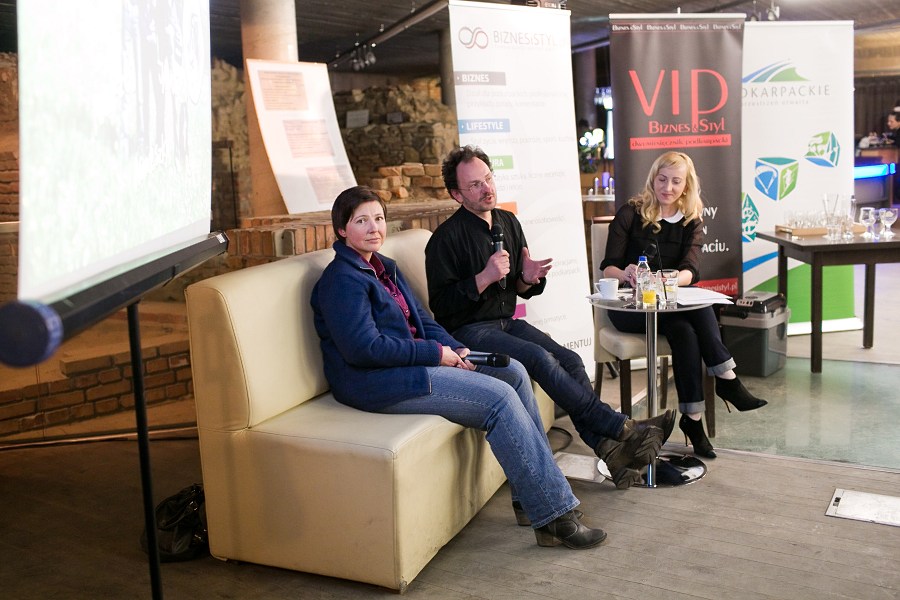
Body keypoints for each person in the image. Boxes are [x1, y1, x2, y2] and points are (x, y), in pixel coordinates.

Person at [311, 185, 606, 550]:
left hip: (409, 366)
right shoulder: (342, 280)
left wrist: (455, 347)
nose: (374, 228)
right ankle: (554, 515)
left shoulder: (384, 267)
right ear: (342, 229)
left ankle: (529, 499)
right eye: (361, 221)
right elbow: (364, 349)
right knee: (499, 399)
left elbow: (424, 320)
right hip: (377, 382)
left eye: (379, 218)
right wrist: (436, 354)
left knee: (513, 372)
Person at [424, 145, 673, 490]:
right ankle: (621, 427)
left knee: (570, 359)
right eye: (475, 185)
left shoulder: (507, 222)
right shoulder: (444, 239)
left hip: (506, 322)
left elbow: (521, 287)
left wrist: (527, 278)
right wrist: (483, 278)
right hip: (468, 332)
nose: (487, 189)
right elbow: (441, 307)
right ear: (457, 194)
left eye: (488, 179)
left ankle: (610, 451)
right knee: (540, 358)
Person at [599, 151, 768, 458]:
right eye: (662, 179)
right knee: (696, 315)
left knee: (687, 329)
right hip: (631, 308)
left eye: (676, 181)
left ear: (686, 185)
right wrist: (625, 273)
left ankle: (693, 420)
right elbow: (608, 267)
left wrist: (670, 278)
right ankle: (727, 379)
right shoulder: (630, 213)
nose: (668, 187)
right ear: (653, 179)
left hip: (669, 304)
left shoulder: (691, 220)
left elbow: (691, 271)